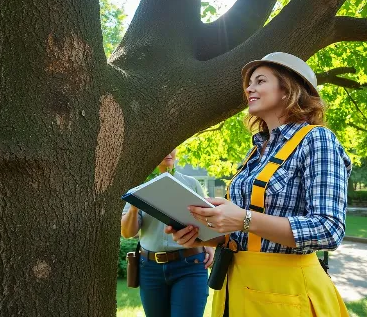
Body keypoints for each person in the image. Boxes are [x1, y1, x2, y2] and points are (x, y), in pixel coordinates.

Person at [166, 52, 351, 317]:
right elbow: (245, 232)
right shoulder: (257, 151)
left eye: (260, 81)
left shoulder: (318, 140)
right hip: (235, 288)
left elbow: (329, 229)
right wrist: (204, 234)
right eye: (249, 83)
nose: (249, 88)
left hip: (286, 293)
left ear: (288, 90)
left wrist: (244, 219)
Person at [121, 149, 215, 317]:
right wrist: (135, 206)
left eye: (173, 146)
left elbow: (207, 223)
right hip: (149, 269)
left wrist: (210, 246)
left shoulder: (191, 184)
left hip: (189, 265)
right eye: (163, 147)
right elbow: (127, 233)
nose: (169, 152)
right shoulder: (138, 186)